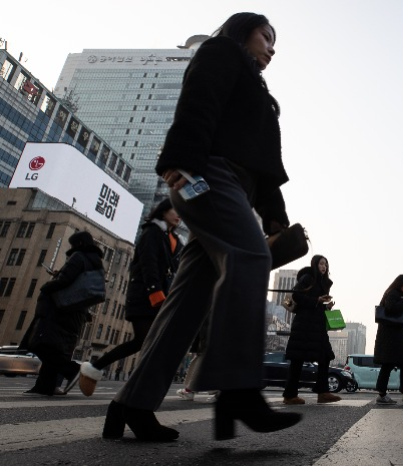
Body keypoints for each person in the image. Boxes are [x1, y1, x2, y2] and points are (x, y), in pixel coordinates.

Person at [103, 12, 301, 442]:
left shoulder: (258, 88)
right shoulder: (221, 51)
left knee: (187, 303)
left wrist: (274, 212)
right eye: (266, 36)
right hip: (206, 178)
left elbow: (263, 161)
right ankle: (238, 388)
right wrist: (180, 159)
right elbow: (198, 101)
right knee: (251, 257)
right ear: (241, 31)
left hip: (232, 190)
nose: (272, 47)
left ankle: (131, 404)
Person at [78, 199, 184, 396]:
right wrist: (154, 291)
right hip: (145, 295)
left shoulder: (175, 240)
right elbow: (148, 263)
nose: (178, 214)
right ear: (163, 212)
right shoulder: (151, 232)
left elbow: (176, 270)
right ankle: (96, 367)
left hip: (164, 297)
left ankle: (108, 372)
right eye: (174, 210)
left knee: (151, 342)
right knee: (143, 340)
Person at [20, 231, 105, 396]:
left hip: (60, 310)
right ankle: (44, 387)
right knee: (54, 348)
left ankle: (74, 370)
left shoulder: (78, 257)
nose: (72, 248)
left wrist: (46, 286)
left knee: (41, 344)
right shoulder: (95, 263)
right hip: (75, 312)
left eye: (73, 244)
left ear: (79, 244)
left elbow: (65, 281)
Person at [282, 255, 341, 405]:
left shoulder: (323, 283)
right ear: (315, 264)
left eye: (326, 265)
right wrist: (317, 300)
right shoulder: (308, 278)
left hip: (318, 326)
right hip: (304, 325)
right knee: (298, 359)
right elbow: (296, 295)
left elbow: (315, 303)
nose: (324, 267)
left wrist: (325, 306)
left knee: (326, 355)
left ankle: (323, 392)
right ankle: (290, 395)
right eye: (321, 264)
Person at [373, 275, 403, 405]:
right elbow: (391, 308)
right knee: (391, 364)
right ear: (400, 283)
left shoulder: (396, 294)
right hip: (393, 338)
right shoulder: (393, 293)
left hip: (397, 338)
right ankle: (385, 394)